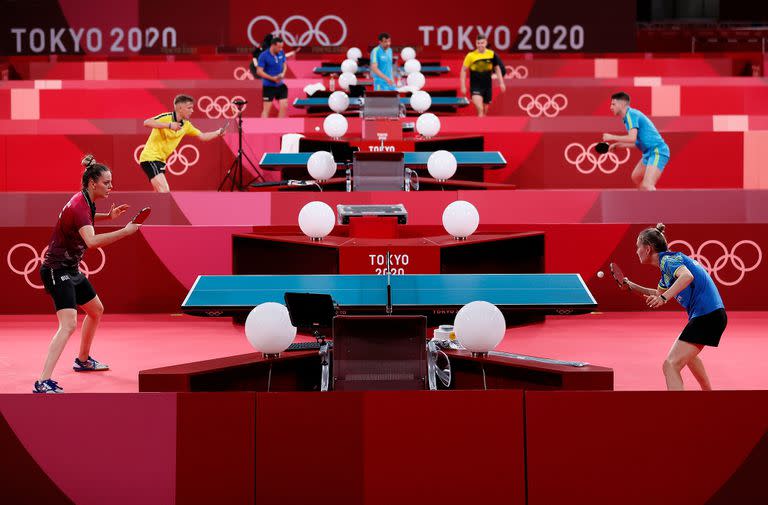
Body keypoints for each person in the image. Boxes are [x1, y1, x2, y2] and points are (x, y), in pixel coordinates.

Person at [34, 155, 140, 393]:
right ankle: (42, 381)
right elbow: (91, 241)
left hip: (70, 269)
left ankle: (82, 360)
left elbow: (86, 220)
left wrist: (109, 217)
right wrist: (124, 231)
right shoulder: (81, 205)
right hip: (55, 270)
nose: (111, 187)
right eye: (107, 183)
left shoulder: (86, 199)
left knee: (96, 310)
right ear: (93, 183)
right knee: (68, 323)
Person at [622, 223, 727, 391]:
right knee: (688, 357)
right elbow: (656, 293)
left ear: (648, 249)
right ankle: (709, 395)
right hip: (712, 315)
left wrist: (664, 298)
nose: (636, 251)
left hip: (707, 315)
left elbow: (687, 276)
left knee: (670, 365)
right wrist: (632, 286)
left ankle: (678, 412)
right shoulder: (667, 270)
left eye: (638, 247)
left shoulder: (668, 260)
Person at [139, 94, 227, 193]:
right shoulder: (166, 118)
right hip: (150, 158)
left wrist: (217, 132)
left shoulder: (186, 125)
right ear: (180, 108)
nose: (192, 111)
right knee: (164, 191)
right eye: (189, 108)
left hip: (161, 161)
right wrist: (169, 125)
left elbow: (202, 136)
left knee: (158, 193)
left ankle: (150, 208)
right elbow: (146, 122)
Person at [603, 91, 671, 191]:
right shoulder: (627, 118)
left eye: (613, 104)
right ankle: (644, 201)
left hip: (658, 151)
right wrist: (618, 145)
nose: (610, 107)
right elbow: (637, 143)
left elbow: (632, 138)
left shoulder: (631, 115)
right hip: (648, 153)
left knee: (648, 185)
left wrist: (612, 137)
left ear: (622, 104)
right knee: (636, 177)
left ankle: (656, 204)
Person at [460, 35, 506, 117]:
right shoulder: (470, 56)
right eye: (478, 43)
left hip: (487, 87)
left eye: (482, 43)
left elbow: (497, 68)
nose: (480, 45)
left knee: (484, 110)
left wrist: (501, 83)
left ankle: (483, 127)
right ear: (476, 44)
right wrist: (463, 86)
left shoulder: (491, 54)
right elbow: (463, 70)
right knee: (480, 109)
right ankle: (479, 128)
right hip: (475, 87)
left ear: (486, 43)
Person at [256, 36, 289, 118]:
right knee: (266, 110)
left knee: (284, 106)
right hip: (269, 86)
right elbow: (259, 71)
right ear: (273, 45)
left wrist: (283, 74)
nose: (281, 49)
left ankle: (280, 127)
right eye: (279, 47)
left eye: (282, 47)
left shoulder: (281, 52)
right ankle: (262, 128)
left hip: (280, 85)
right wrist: (273, 78)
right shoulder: (263, 56)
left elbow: (285, 65)